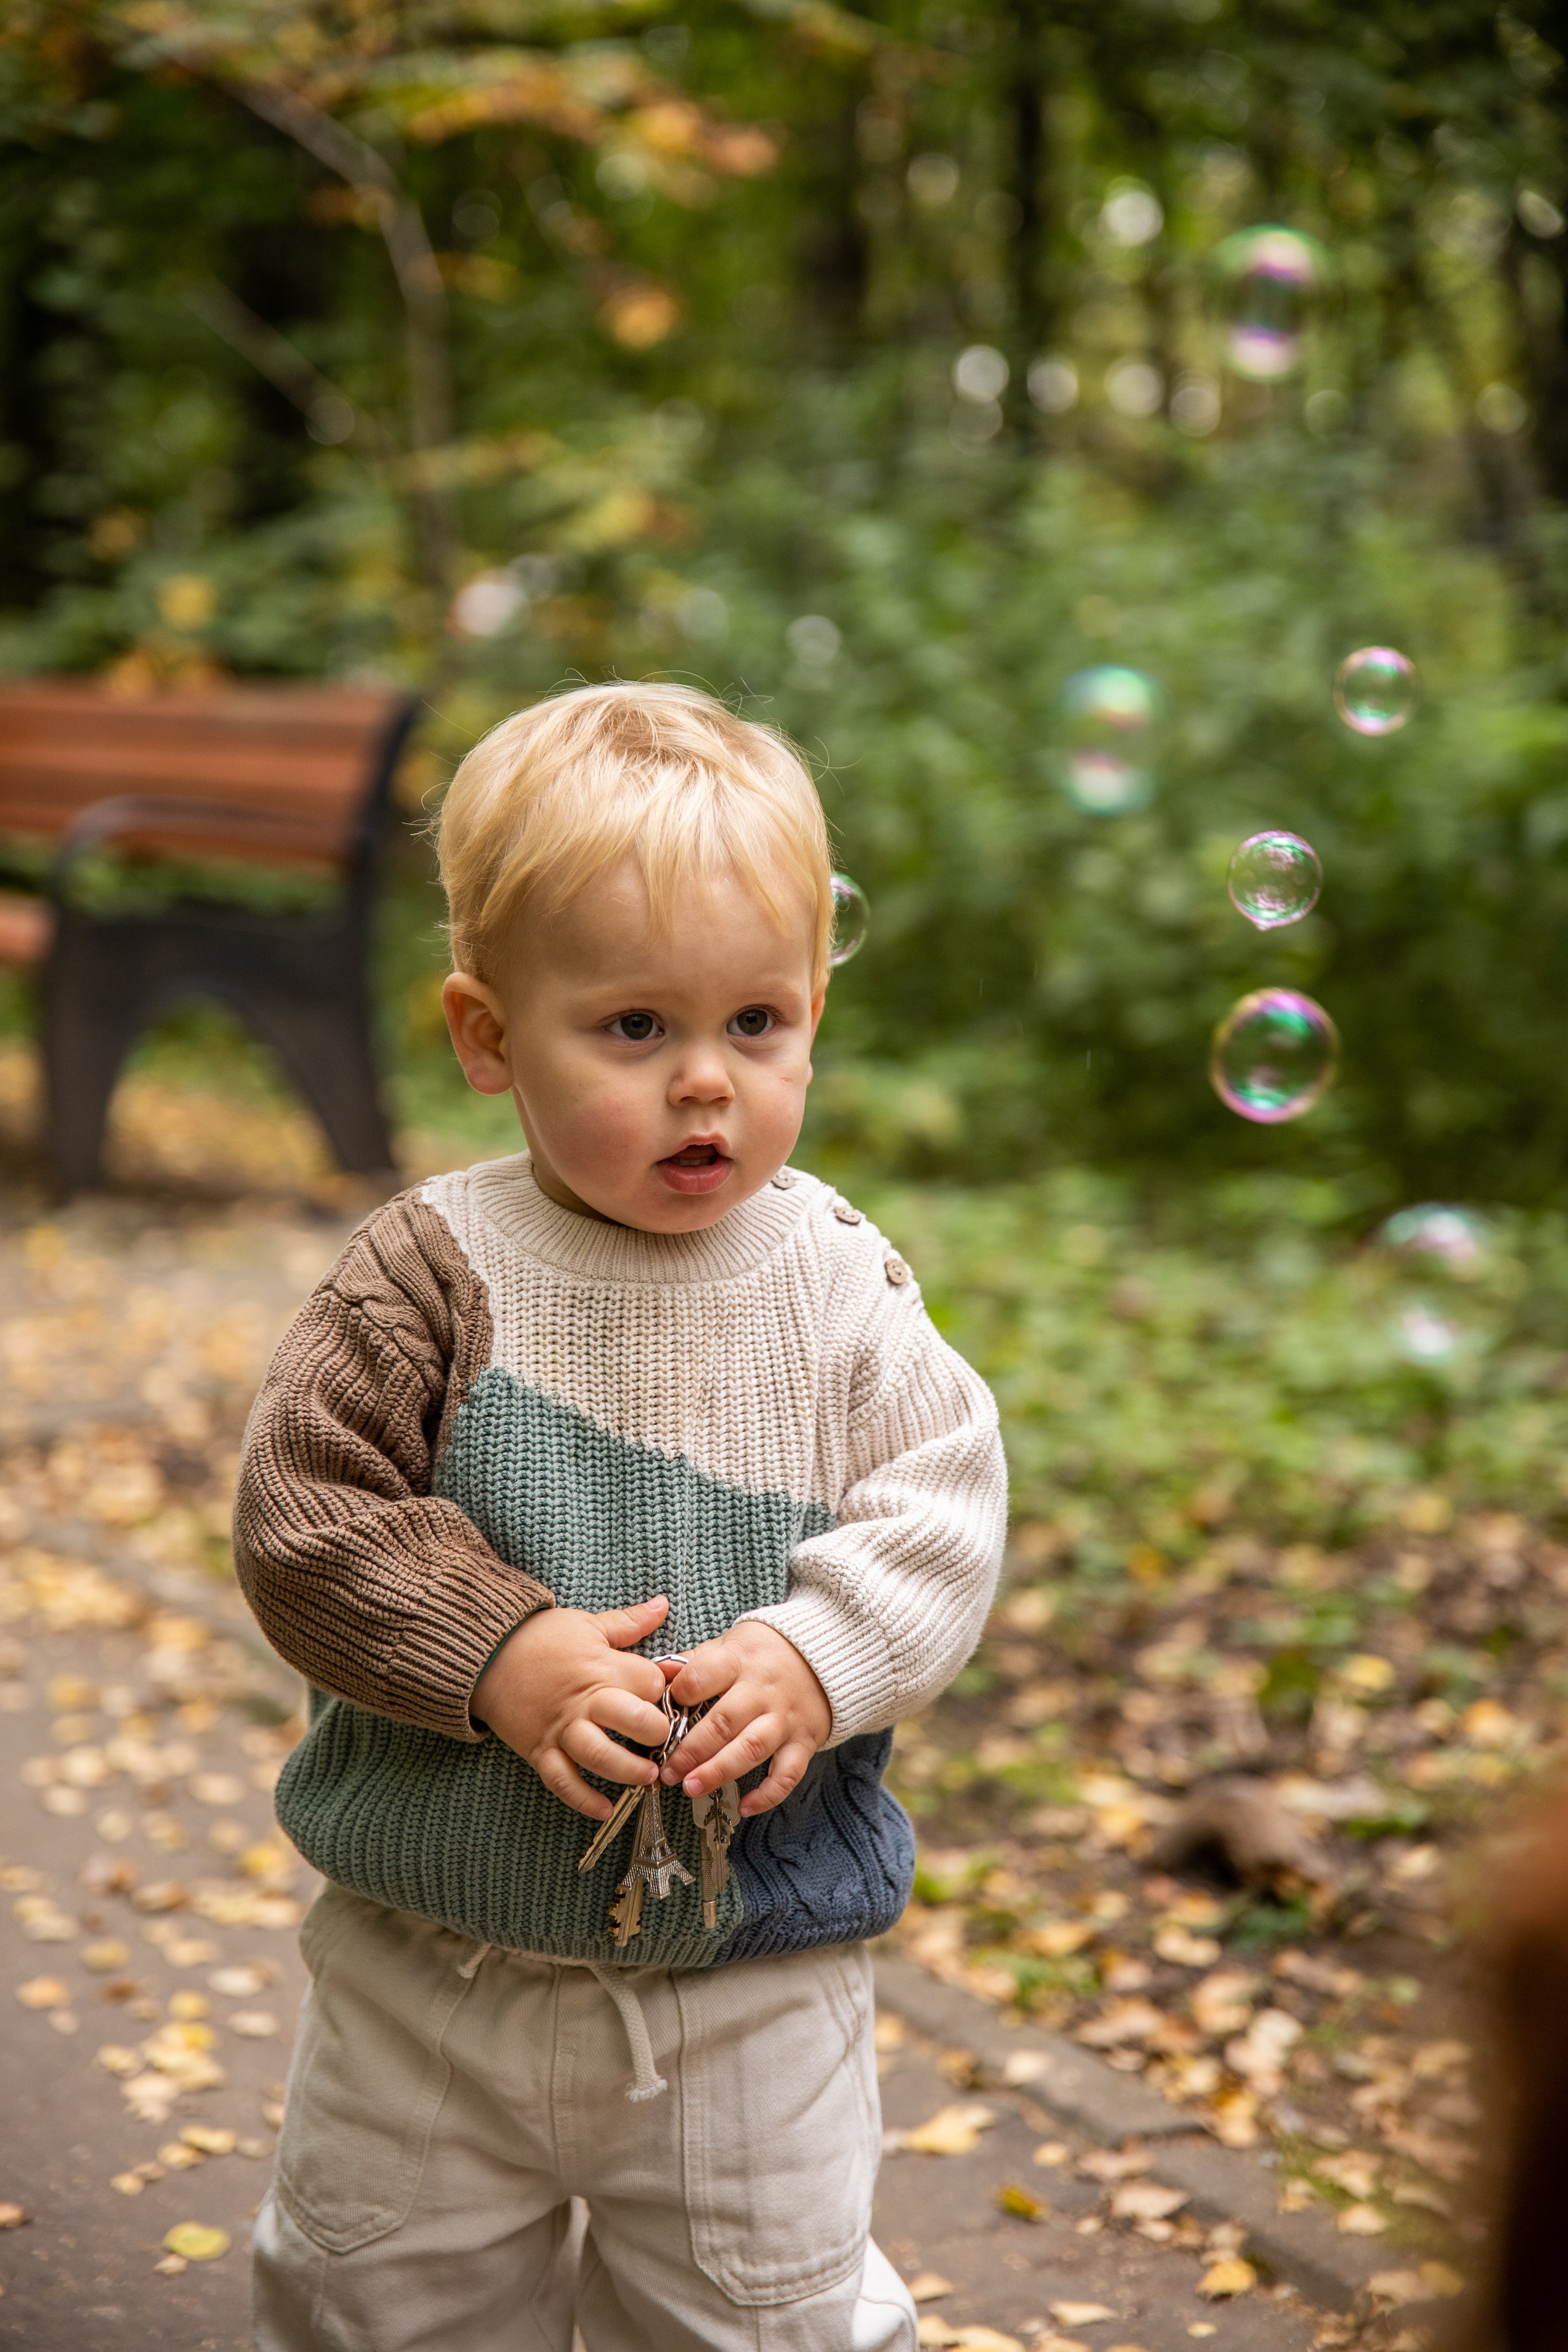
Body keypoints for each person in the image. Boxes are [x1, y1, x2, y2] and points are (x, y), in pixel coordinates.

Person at [233, 680, 1008, 2352]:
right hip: (432, 1973)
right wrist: (495, 1651)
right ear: (489, 1035)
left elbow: (940, 1506)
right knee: (381, 2305)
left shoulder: (839, 1285)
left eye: (758, 1022)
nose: (708, 1083)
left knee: (767, 2320)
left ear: (814, 1015)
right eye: (637, 1028)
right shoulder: (427, 1273)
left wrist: (818, 1659)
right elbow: (308, 1513)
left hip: (754, 1981)